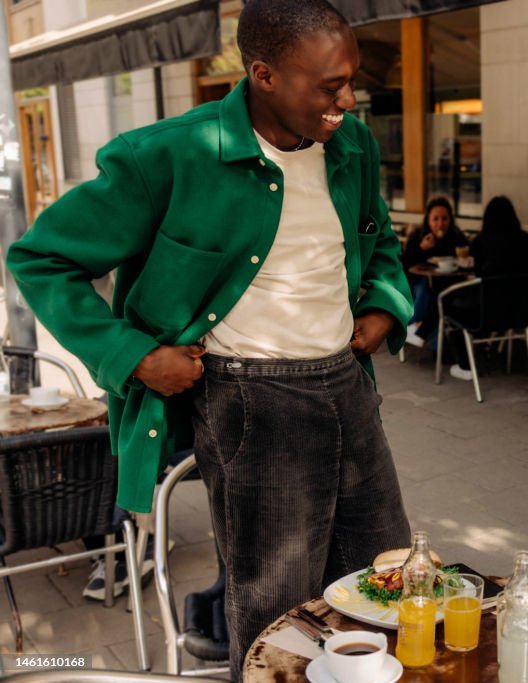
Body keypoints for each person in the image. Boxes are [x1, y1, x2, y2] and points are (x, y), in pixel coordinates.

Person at [7, 1, 413, 677]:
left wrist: (384, 306)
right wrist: (134, 356)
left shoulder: (353, 145)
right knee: (280, 612)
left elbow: (380, 238)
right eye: (329, 86)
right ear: (264, 75)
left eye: (351, 79)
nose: (348, 100)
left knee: (384, 582)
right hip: (252, 402)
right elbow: (41, 258)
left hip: (349, 384)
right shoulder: (165, 155)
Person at [446, 196, 528, 380]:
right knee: (469, 302)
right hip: (521, 312)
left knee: (451, 304)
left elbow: (477, 272)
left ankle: (466, 365)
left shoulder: (481, 242)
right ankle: (483, 348)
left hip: (488, 313)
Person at [402, 196, 469, 348]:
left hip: (448, 284)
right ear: (428, 220)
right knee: (426, 289)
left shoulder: (457, 237)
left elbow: (464, 264)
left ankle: (423, 333)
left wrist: (463, 258)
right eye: (436, 219)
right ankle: (417, 323)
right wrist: (421, 248)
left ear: (451, 219)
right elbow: (406, 265)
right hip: (419, 284)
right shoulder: (418, 236)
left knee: (442, 296)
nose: (440, 224)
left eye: (445, 219)